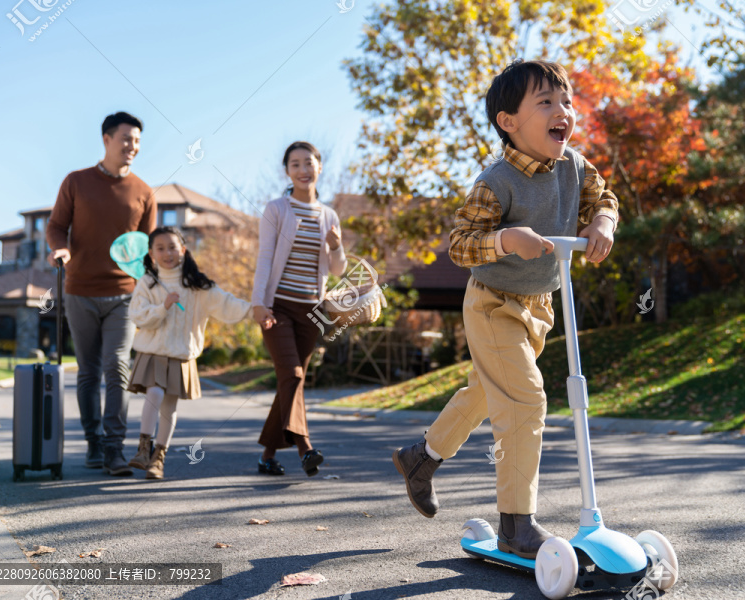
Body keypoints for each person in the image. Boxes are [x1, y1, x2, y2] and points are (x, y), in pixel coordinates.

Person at [392, 60, 619, 559]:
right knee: (524, 400)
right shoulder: (496, 182)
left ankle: (420, 458)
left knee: (486, 392)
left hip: (538, 306)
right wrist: (505, 239)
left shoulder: (576, 167)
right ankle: (516, 524)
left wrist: (602, 221)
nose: (563, 112)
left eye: (567, 103)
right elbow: (461, 245)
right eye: (546, 103)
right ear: (508, 121)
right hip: (492, 304)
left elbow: (605, 197)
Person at [46, 111, 157, 476]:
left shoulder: (144, 192)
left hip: (125, 293)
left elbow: (147, 247)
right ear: (107, 139)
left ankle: (114, 450)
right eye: (127, 139)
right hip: (79, 289)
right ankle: (93, 443)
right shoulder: (76, 182)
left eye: (138, 141)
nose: (133, 147)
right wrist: (61, 249)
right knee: (89, 371)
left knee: (117, 367)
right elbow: (57, 225)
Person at [251, 141, 347, 477]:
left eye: (309, 163)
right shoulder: (276, 209)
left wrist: (335, 247)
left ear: (320, 166)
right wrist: (258, 304)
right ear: (287, 171)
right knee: (292, 376)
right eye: (295, 164)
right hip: (278, 307)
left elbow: (336, 270)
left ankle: (266, 456)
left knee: (291, 381)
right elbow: (264, 259)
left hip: (311, 312)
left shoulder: (329, 215)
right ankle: (306, 448)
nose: (303, 170)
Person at [126, 227, 251, 479]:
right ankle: (142, 448)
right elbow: (137, 316)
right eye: (160, 248)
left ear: (183, 250)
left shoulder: (197, 286)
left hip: (181, 354)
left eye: (172, 247)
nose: (167, 253)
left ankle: (158, 458)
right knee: (154, 392)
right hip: (153, 353)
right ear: (151, 254)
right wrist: (163, 306)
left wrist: (255, 310)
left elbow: (226, 303)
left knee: (169, 407)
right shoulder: (147, 283)